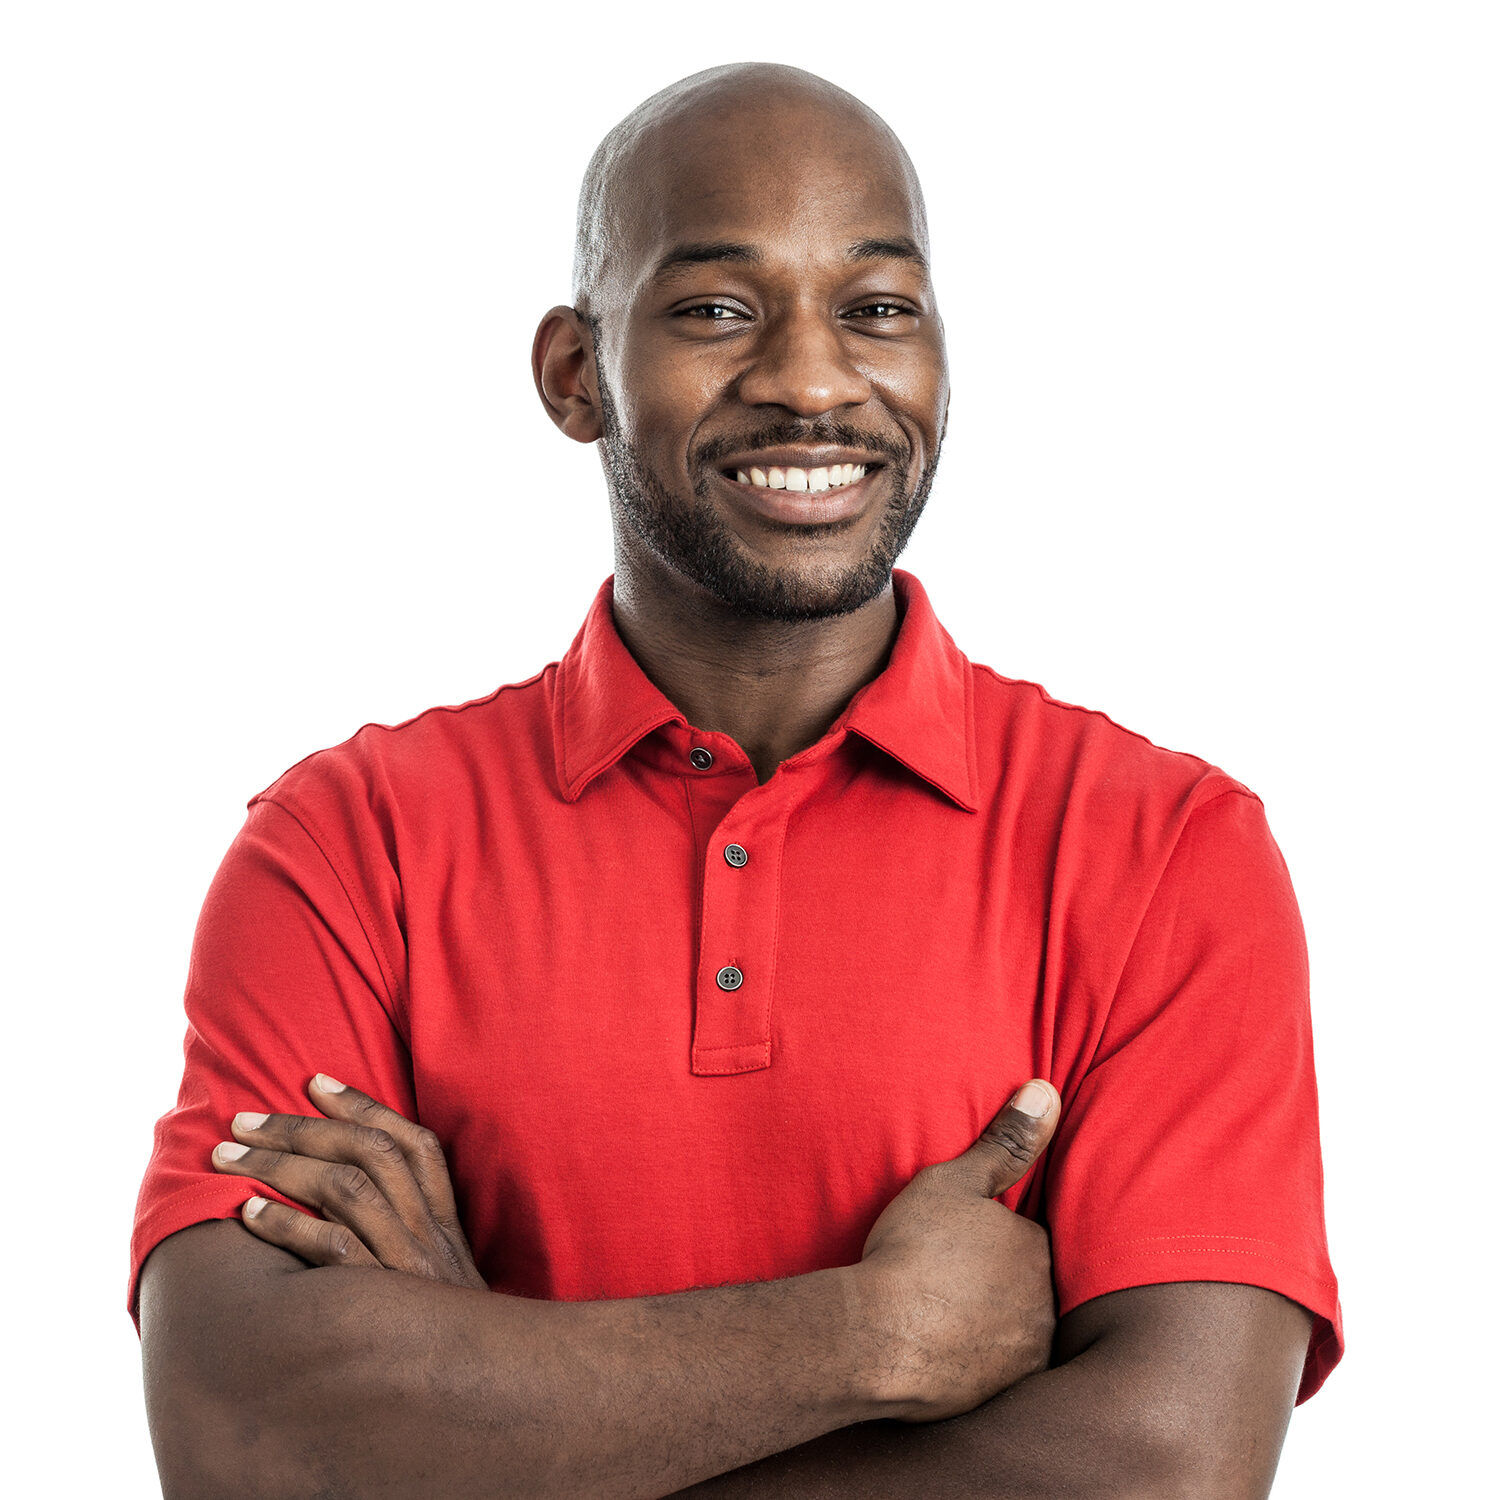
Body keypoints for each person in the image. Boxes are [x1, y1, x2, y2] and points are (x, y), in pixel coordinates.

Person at [132, 61, 1342, 1498]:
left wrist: (487, 1395)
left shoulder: (1165, 850)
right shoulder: (345, 847)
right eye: (715, 310)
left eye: (879, 309)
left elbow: (1167, 1467)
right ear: (576, 376)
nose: (816, 379)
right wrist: (871, 1336)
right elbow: (243, 1438)